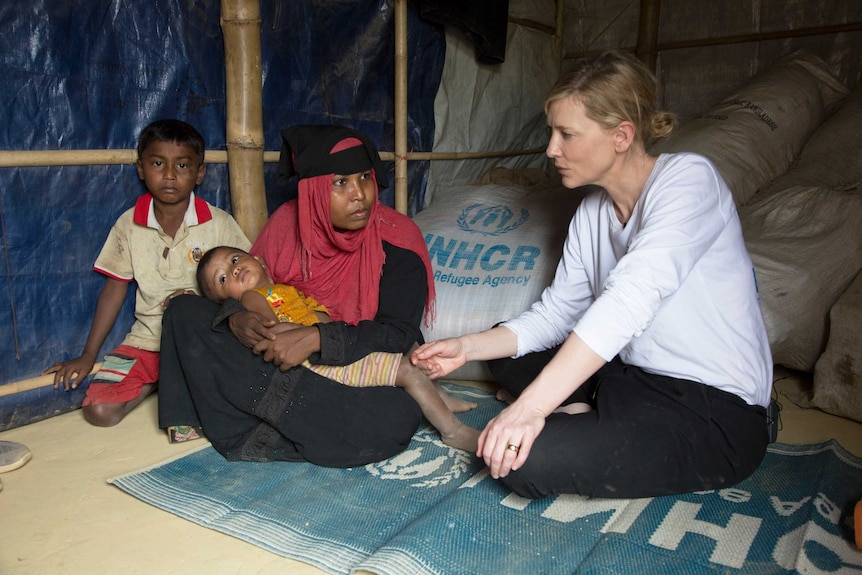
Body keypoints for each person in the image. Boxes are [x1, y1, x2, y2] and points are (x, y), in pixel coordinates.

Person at [412, 50, 774, 500]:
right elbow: (557, 315)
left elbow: (628, 301)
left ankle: (578, 415)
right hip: (629, 378)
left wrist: (530, 408)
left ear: (621, 135)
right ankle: (584, 411)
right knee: (505, 348)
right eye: (552, 132)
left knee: (520, 460)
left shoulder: (689, 182)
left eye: (567, 134)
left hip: (709, 409)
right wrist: (465, 347)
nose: (551, 149)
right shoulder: (593, 211)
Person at [157, 124, 448, 467]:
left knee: (395, 416)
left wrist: (317, 338)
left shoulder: (398, 241)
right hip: (282, 364)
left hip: (353, 375)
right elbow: (252, 286)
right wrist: (237, 317)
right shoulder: (287, 224)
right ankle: (289, 422)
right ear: (312, 190)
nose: (359, 194)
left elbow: (397, 334)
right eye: (340, 182)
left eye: (364, 178)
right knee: (184, 310)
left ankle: (261, 419)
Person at [42, 119, 251, 428]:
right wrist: (88, 355)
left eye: (182, 165)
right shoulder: (129, 224)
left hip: (204, 339)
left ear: (200, 174)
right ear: (141, 169)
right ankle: (162, 376)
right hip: (148, 341)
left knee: (224, 407)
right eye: (157, 163)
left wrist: (199, 302)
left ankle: (179, 376)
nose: (169, 175)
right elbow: (114, 289)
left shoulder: (218, 223)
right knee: (100, 412)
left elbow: (248, 283)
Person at [196, 245, 480, 451]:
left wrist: (331, 335)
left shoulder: (286, 289)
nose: (233, 270)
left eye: (234, 259)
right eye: (222, 279)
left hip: (332, 347)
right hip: (319, 362)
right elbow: (275, 336)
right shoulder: (253, 298)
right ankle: (452, 431)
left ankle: (438, 396)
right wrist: (318, 336)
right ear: (225, 300)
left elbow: (323, 321)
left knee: (405, 347)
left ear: (257, 259)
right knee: (406, 370)